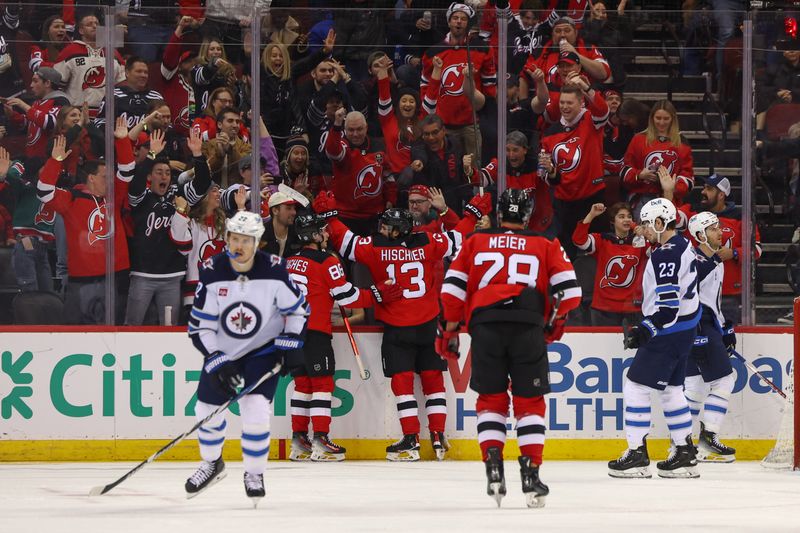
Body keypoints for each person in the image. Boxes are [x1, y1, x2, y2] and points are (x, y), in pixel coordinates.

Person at [314, 191, 483, 461]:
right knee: (433, 379)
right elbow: (459, 237)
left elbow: (345, 242)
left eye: (385, 226)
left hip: (397, 327)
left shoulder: (375, 248)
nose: (381, 228)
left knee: (403, 383)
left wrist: (330, 216)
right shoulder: (427, 241)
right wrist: (473, 214)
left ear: (397, 230)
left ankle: (411, 440)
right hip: (429, 323)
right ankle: (438, 436)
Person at [440, 188, 582, 508]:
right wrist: (554, 321)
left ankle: (493, 468)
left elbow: (451, 291)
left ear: (500, 213)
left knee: (491, 399)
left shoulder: (475, 242)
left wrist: (449, 329)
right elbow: (570, 293)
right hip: (527, 326)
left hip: (486, 327)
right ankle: (531, 473)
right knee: (529, 401)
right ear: (528, 214)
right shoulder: (545, 243)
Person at [185, 210, 308, 504]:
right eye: (234, 239)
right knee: (205, 411)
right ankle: (212, 463)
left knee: (255, 411)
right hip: (225, 351)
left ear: (258, 242)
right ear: (226, 238)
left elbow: (298, 311)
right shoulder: (213, 271)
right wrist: (217, 361)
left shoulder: (275, 270)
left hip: (262, 351)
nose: (238, 246)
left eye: (245, 240)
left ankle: (254, 472)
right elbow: (199, 326)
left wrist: (292, 342)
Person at [286, 213, 402, 461]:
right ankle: (320, 441)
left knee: (302, 385)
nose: (327, 234)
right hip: (315, 331)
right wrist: (377, 294)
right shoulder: (327, 261)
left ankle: (299, 441)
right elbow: (348, 297)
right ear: (314, 235)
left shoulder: (289, 261)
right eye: (323, 231)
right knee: (322, 385)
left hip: (291, 333)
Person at [609, 197, 701, 479]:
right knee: (671, 389)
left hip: (668, 332)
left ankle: (637, 453)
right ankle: (684, 452)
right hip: (686, 328)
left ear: (661, 223)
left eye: (648, 225)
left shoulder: (664, 254)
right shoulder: (683, 242)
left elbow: (668, 308)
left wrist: (644, 330)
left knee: (636, 385)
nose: (643, 229)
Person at [36, 118, 134, 324]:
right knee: (79, 331)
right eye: (105, 176)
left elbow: (127, 171)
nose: (110, 180)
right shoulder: (71, 199)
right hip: (82, 280)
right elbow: (43, 191)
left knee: (113, 333)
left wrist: (123, 141)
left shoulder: (113, 197)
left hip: (115, 277)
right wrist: (55, 161)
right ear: (91, 178)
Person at [125, 128, 211, 326]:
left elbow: (203, 183)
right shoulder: (140, 198)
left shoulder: (177, 196)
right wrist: (151, 156)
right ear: (150, 177)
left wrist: (198, 155)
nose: (164, 176)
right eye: (159, 172)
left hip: (172, 276)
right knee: (132, 325)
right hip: (142, 275)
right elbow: (136, 182)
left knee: (169, 328)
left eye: (167, 173)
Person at [685, 211, 737, 463]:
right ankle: (708, 437)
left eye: (719, 227)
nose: (720, 232)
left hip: (706, 327)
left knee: (694, 387)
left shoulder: (716, 261)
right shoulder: (695, 264)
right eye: (714, 229)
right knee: (725, 381)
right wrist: (698, 329)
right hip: (698, 329)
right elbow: (686, 302)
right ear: (700, 235)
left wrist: (725, 328)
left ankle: (680, 444)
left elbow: (712, 302)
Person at [540, 81, 609, 259]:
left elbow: (603, 110)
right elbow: (545, 174)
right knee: (565, 254)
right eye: (562, 102)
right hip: (564, 203)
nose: (564, 107)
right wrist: (551, 172)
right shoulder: (550, 133)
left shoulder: (591, 121)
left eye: (569, 103)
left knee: (597, 250)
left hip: (592, 197)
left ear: (581, 103)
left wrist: (587, 88)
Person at [420, 2, 497, 165]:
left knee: (474, 169)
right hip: (443, 125)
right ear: (449, 22)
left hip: (471, 122)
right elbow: (425, 86)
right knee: (447, 167)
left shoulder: (482, 49)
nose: (459, 22)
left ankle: (475, 192)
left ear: (468, 23)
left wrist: (486, 111)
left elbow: (490, 84)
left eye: (463, 19)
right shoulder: (433, 52)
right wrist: (429, 114)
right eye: (455, 18)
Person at [572, 202, 649, 326]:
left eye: (629, 216)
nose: (626, 220)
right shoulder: (602, 240)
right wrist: (591, 215)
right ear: (613, 221)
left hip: (632, 308)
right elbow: (579, 240)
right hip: (604, 309)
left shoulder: (641, 242)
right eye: (621, 216)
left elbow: (658, 250)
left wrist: (647, 236)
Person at [324, 109, 393, 235]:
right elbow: (333, 151)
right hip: (346, 216)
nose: (355, 134)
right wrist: (337, 125)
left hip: (374, 216)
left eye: (359, 129)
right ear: (345, 130)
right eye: (351, 130)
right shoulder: (343, 145)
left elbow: (388, 176)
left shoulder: (380, 145)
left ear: (366, 127)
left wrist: (391, 198)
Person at [621, 100, 694, 214]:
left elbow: (688, 176)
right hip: (641, 199)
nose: (661, 122)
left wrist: (672, 186)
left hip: (670, 199)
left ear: (673, 119)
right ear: (652, 118)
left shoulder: (681, 142)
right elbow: (624, 171)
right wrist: (639, 175)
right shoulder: (639, 139)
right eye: (658, 118)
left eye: (666, 118)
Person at [53, 12, 126, 118]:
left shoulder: (113, 53)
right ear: (81, 30)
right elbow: (57, 87)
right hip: (77, 116)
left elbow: (122, 85)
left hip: (107, 116)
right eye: (89, 24)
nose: (94, 26)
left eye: (97, 23)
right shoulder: (69, 52)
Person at [3, 67, 70, 160]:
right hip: (31, 158)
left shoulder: (61, 101)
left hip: (47, 160)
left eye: (35, 81)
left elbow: (51, 123)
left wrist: (23, 105)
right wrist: (12, 115)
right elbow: (29, 126)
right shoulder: (37, 102)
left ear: (47, 83)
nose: (31, 85)